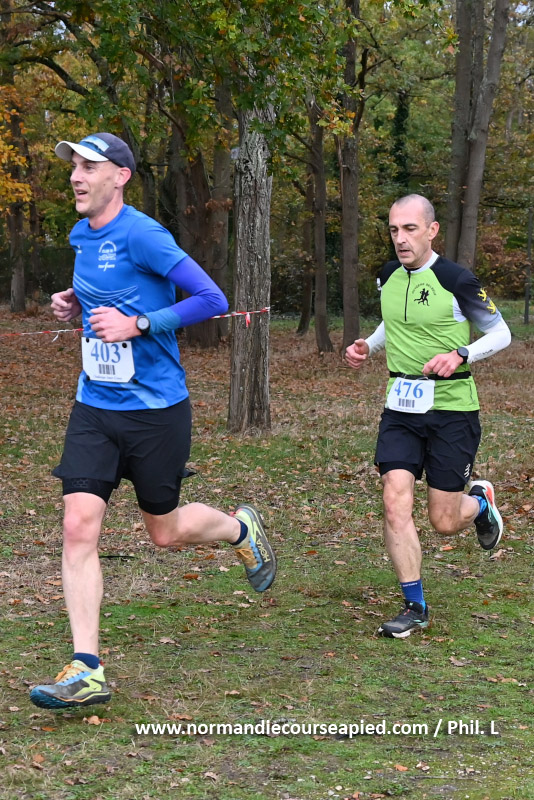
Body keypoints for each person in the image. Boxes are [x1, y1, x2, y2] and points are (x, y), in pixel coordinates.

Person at [30, 133, 276, 709]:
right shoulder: (81, 234)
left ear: (120, 176)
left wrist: (139, 325)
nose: (76, 176)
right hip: (95, 406)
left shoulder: (144, 234)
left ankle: (240, 529)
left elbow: (212, 299)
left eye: (89, 166)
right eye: (73, 166)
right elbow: (107, 289)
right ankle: (87, 668)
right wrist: (73, 301)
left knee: (163, 532)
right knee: (78, 526)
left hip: (155, 411)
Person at [346, 194, 511, 639]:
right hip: (400, 407)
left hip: (452, 408)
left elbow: (501, 333)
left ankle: (480, 504)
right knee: (394, 499)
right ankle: (414, 606)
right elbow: (395, 323)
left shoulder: (456, 279)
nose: (400, 239)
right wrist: (368, 345)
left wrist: (461, 354)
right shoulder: (387, 276)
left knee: (443, 521)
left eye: (410, 229)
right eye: (394, 230)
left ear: (432, 230)